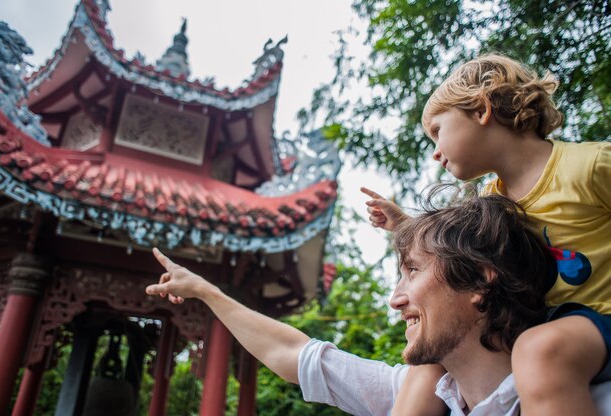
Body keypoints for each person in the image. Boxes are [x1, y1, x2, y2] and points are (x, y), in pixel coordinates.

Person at [146, 191, 611, 415]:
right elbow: (295, 355)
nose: (395, 299)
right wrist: (207, 291)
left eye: (412, 270)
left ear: (479, 280)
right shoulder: (419, 393)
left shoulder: (585, 395)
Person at [363, 53, 611, 416]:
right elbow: (456, 259)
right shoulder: (491, 201)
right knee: (431, 356)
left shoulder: (588, 167)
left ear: (481, 110)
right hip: (536, 324)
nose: (434, 153)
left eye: (437, 131)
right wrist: (403, 226)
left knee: (539, 350)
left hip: (597, 321)